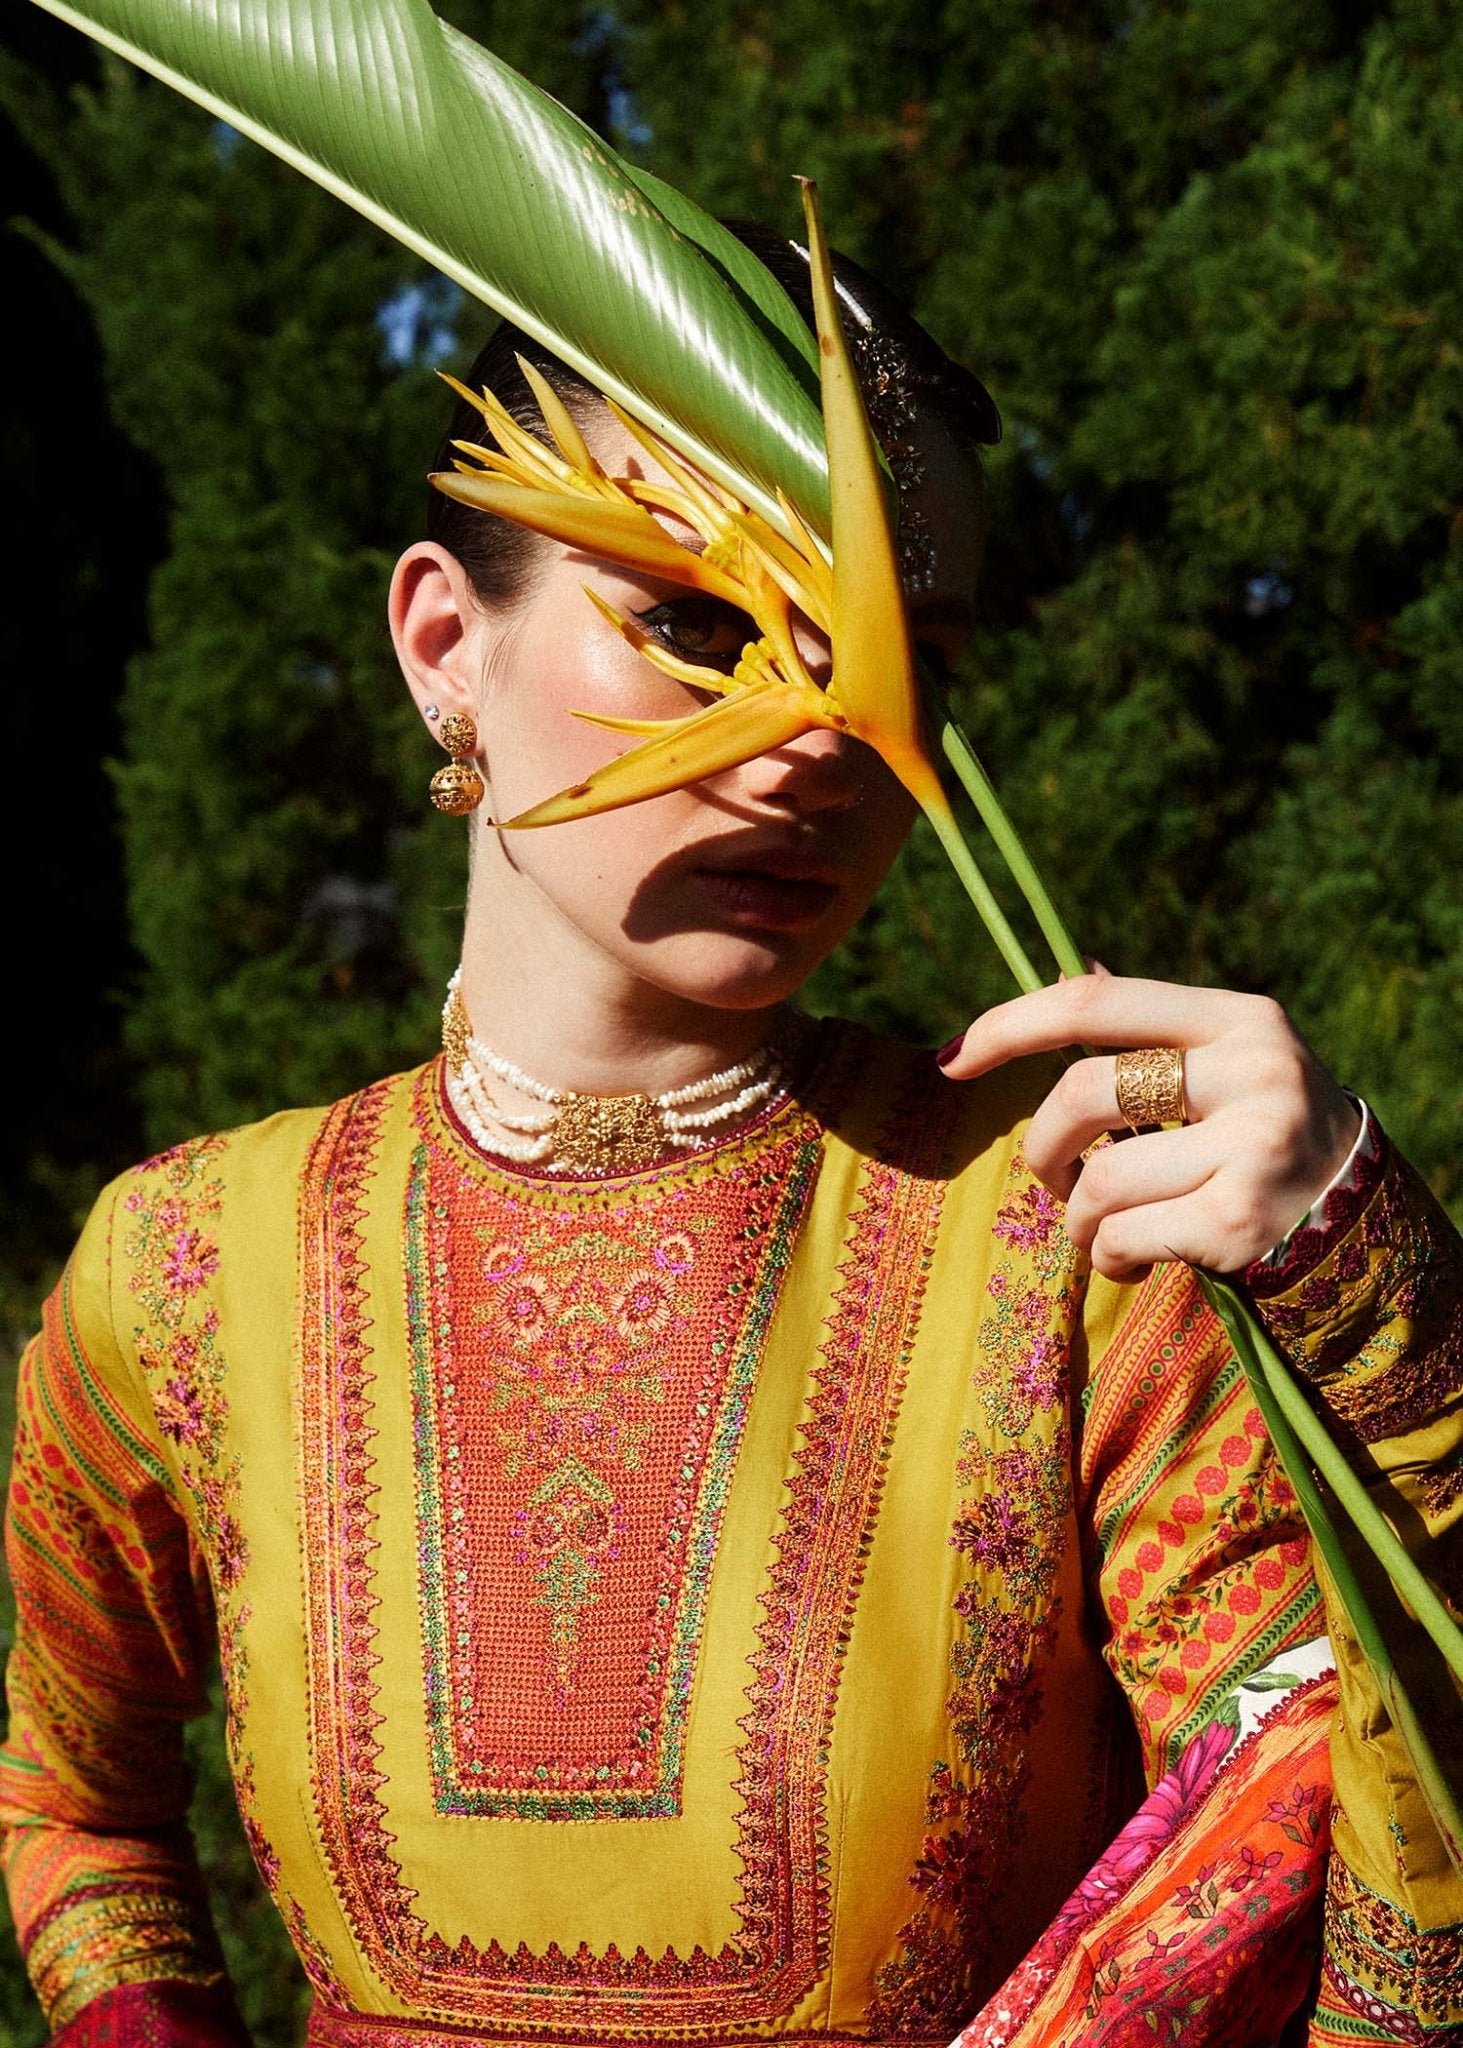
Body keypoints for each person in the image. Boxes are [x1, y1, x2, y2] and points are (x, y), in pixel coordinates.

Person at [1, 234, 1459, 2048]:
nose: (816, 749)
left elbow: (1334, 1808)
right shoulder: (179, 1269)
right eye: (700, 624)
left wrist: (1388, 1326)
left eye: (897, 666)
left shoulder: (1071, 1226)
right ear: (447, 643)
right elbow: (70, 1801)